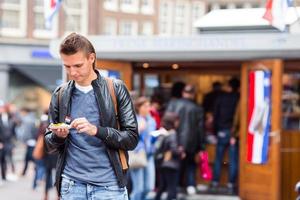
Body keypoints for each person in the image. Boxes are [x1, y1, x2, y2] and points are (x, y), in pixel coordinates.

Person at [44, 33, 138, 200]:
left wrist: (97, 131)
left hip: (109, 187)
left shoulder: (115, 88)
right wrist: (59, 136)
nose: (72, 72)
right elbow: (49, 144)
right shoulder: (60, 94)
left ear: (91, 58)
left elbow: (131, 139)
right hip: (71, 186)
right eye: (67, 66)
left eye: (78, 65)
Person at [166, 84, 205, 195]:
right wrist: (201, 145)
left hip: (174, 140)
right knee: (190, 165)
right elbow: (200, 129)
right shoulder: (197, 108)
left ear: (183, 93)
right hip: (191, 142)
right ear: (192, 94)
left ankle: (175, 187)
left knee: (175, 165)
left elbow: (166, 121)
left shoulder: (173, 104)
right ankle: (190, 185)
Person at [211, 77, 240, 194]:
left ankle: (215, 182)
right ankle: (231, 184)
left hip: (221, 130)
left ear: (229, 86)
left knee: (218, 159)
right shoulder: (239, 98)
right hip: (233, 132)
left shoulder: (221, 97)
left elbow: (215, 114)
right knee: (233, 160)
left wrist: (215, 131)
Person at [129, 96, 156, 200]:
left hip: (149, 154)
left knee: (149, 188)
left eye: (149, 106)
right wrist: (139, 129)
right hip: (138, 154)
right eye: (145, 106)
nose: (148, 108)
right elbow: (129, 137)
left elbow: (151, 137)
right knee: (138, 189)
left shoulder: (151, 120)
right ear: (138, 107)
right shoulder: (133, 119)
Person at [154, 112, 183, 200]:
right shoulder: (172, 133)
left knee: (162, 186)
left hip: (161, 163)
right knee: (172, 187)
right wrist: (181, 150)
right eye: (177, 121)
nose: (178, 123)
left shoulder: (162, 132)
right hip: (171, 164)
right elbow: (174, 149)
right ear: (173, 122)